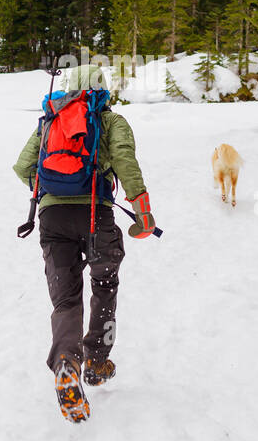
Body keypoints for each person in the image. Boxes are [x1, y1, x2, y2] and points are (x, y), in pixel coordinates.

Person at [13, 64, 155, 423]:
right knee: (104, 285)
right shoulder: (111, 121)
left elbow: (22, 167)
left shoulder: (51, 119)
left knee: (66, 299)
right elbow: (124, 161)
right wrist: (143, 212)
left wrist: (53, 187)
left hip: (52, 219)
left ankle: (66, 362)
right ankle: (96, 360)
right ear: (103, 91)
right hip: (96, 215)